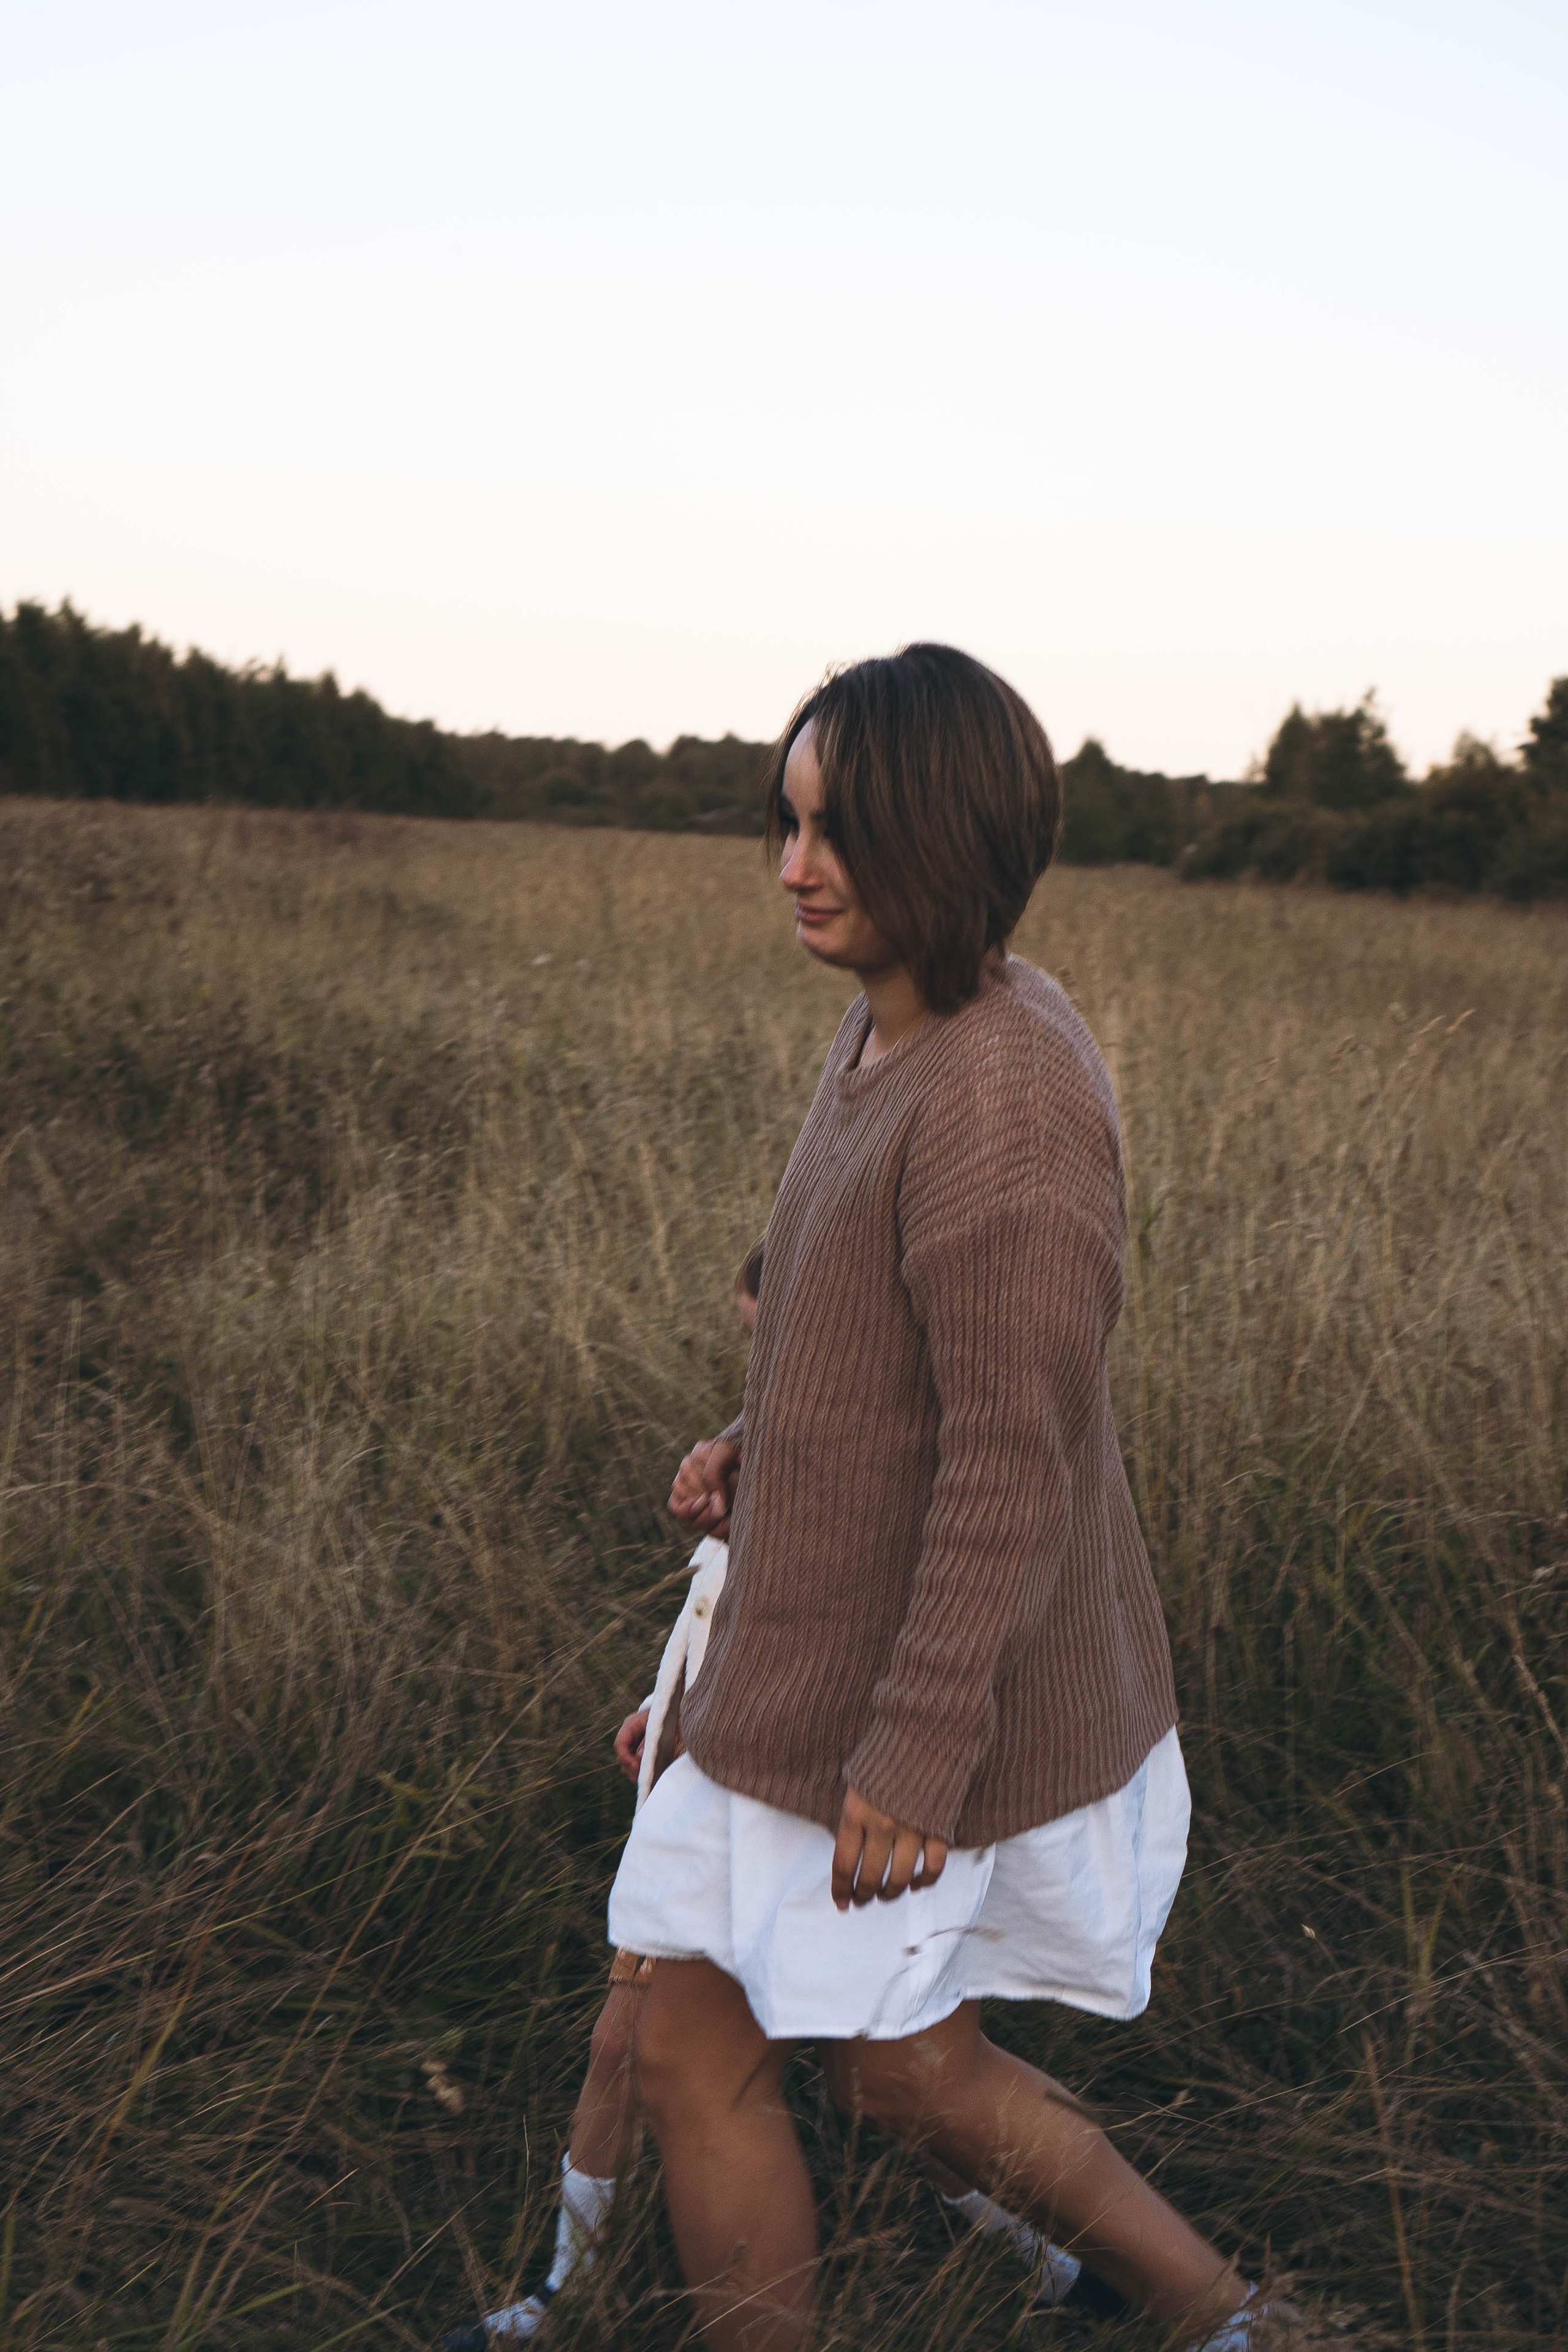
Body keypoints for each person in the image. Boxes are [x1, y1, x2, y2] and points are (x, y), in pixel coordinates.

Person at [608, 646, 1292, 2351]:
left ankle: (1214, 2315)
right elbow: (878, 1343)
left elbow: (1011, 1454)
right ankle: (1216, 2317)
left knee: (810, 2066)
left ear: (947, 834)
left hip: (899, 1707)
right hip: (815, 1663)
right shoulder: (887, 1024)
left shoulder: (1003, 1093)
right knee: (861, 2066)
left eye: (839, 830)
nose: (794, 866)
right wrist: (760, 1447)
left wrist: (914, 1750)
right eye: (787, 822)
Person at [440, 1243, 1080, 2348]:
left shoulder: (885, 1453)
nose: (764, 1360)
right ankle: (563, 2294)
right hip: (712, 1781)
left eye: (773, 1333)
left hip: (818, 1798)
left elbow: (852, 1635)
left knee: (895, 2071)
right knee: (635, 2042)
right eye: (752, 1339)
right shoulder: (776, 1435)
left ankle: (1060, 2260)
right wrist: (669, 1704)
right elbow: (730, 1616)